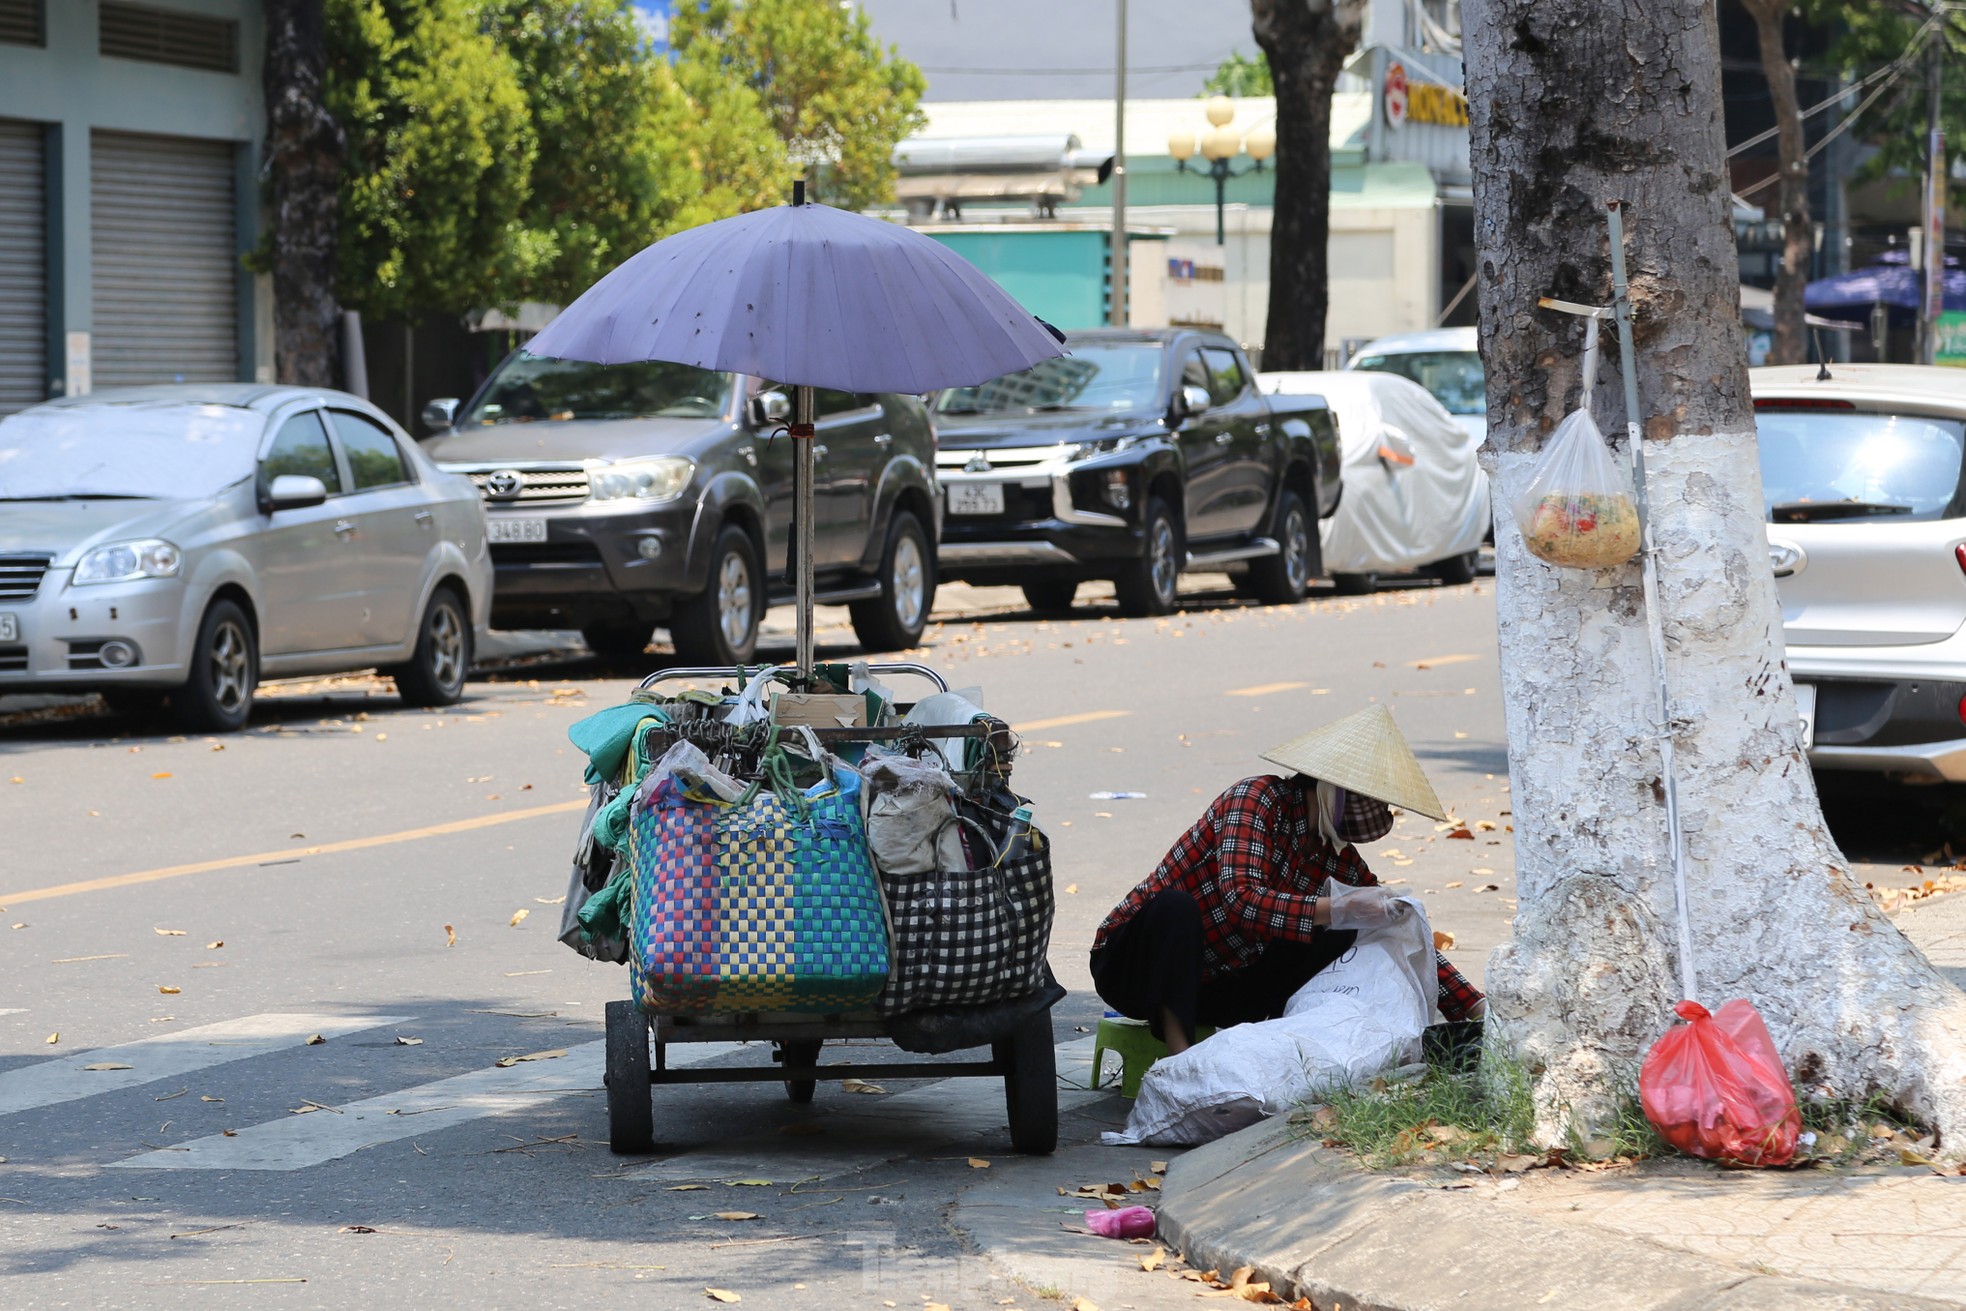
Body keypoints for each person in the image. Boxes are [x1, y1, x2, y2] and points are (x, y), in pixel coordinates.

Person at [1090, 704, 1486, 1054]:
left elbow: (1399, 931)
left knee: (1350, 930)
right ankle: (1182, 1058)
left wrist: (1474, 1006)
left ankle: (1283, 1051)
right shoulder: (1256, 799)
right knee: (1175, 908)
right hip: (1136, 970)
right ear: (1336, 790)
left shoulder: (1337, 857)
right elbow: (1241, 900)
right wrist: (1338, 907)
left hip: (1222, 984)